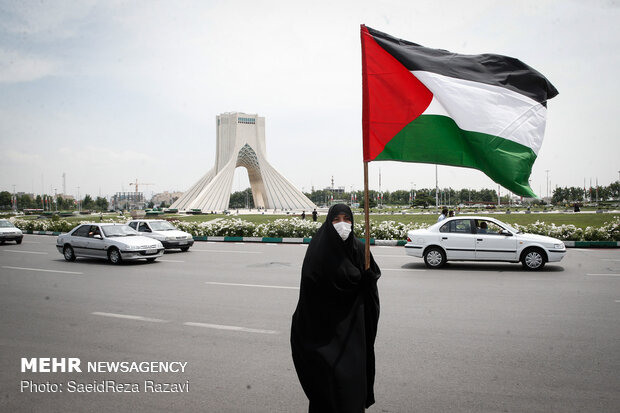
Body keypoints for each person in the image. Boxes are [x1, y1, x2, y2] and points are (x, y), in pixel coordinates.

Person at [291, 204, 381, 413]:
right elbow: (310, 297)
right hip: (324, 337)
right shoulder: (318, 251)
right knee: (328, 393)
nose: (343, 224)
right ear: (328, 222)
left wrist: (369, 281)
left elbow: (371, 296)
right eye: (336, 219)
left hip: (353, 336)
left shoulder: (360, 249)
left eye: (347, 219)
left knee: (352, 392)